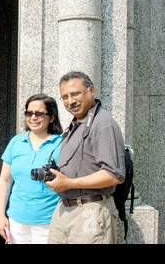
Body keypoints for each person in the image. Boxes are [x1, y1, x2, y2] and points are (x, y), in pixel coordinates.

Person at [46, 71, 126, 244]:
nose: (70, 101)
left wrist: (70, 183)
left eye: (75, 94)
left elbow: (114, 174)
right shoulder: (76, 124)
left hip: (90, 213)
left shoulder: (103, 123)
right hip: (65, 210)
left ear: (91, 90)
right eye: (65, 97)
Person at [0, 94, 63, 244]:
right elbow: (5, 180)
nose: (33, 117)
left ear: (51, 117)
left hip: (49, 222)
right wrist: (0, 215)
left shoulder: (61, 144)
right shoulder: (16, 142)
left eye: (39, 113)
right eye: (29, 113)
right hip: (16, 221)